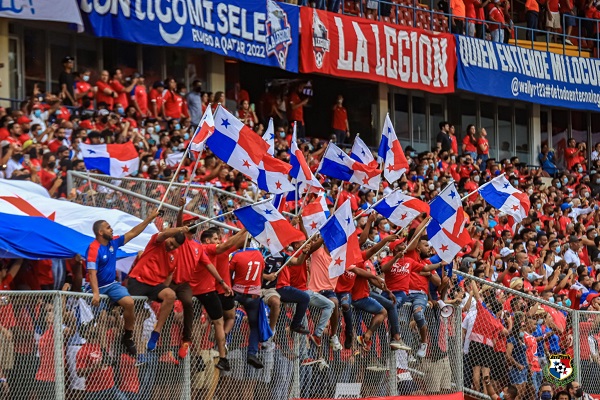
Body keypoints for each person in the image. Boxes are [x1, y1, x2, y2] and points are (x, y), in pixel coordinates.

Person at [85, 210, 160, 356]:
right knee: (102, 318)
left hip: (111, 285)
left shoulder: (113, 242)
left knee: (129, 303)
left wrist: (149, 218)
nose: (111, 229)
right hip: (95, 287)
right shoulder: (93, 249)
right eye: (108, 227)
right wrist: (95, 293)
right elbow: (92, 273)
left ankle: (127, 336)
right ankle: (105, 352)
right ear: (100, 232)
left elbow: (133, 232)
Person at [173, 206, 233, 369]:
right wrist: (180, 210)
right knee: (216, 323)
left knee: (203, 323)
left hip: (195, 291)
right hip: (201, 291)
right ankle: (219, 357)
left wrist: (222, 282)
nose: (193, 224)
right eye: (191, 222)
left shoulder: (197, 247)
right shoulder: (186, 243)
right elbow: (178, 227)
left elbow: (209, 266)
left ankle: (208, 356)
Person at [127, 225, 187, 351]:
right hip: (139, 280)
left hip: (155, 285)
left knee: (170, 295)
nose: (171, 247)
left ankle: (157, 332)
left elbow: (170, 274)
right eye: (171, 243)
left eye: (175, 246)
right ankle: (132, 342)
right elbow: (164, 235)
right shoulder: (157, 241)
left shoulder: (175, 254)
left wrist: (163, 289)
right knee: (137, 316)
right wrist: (179, 229)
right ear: (169, 237)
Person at [229, 245, 266, 369]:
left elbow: (229, 274)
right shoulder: (260, 255)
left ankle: (226, 343)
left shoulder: (236, 255)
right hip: (254, 295)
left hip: (238, 292)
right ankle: (252, 353)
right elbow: (260, 276)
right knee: (254, 325)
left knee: (230, 318)